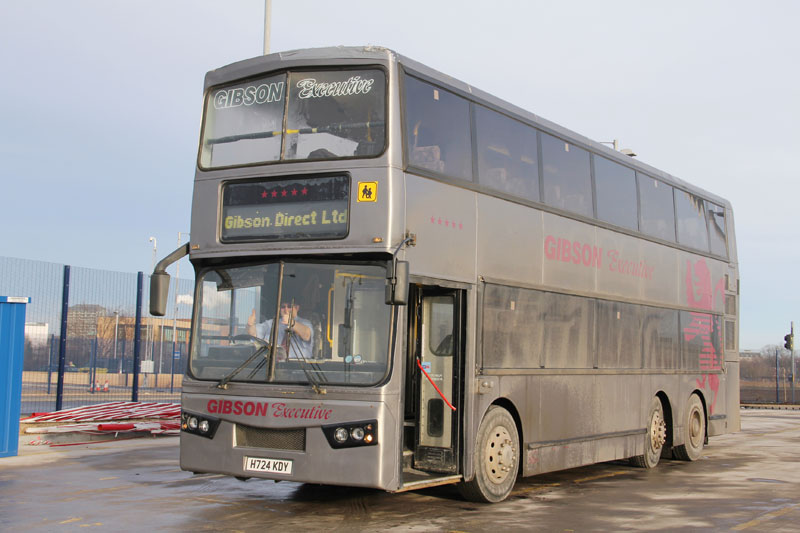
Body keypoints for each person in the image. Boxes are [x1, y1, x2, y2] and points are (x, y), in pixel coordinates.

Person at [246, 302, 313, 360]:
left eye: (289, 306)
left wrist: (292, 323)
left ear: (297, 308)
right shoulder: (272, 324)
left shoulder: (305, 323)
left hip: (297, 367)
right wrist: (250, 325)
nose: (286, 310)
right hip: (274, 366)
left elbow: (306, 335)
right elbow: (254, 334)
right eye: (283, 307)